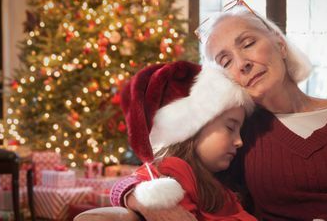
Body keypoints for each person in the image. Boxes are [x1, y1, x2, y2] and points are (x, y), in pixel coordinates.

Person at [122, 0, 327, 220]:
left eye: (247, 43)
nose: (242, 63)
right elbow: (166, 168)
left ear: (280, 44)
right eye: (225, 61)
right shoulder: (240, 135)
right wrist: (133, 195)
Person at [110, 61, 257, 220]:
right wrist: (131, 193)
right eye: (230, 128)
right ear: (193, 128)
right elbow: (136, 181)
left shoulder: (218, 185)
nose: (239, 141)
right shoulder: (175, 169)